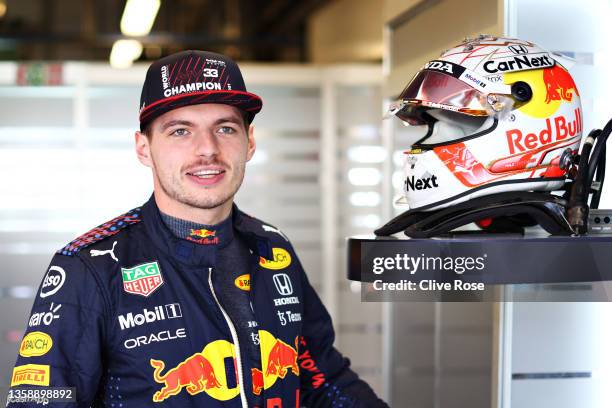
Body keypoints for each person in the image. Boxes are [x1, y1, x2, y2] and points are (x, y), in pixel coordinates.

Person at [8, 50, 388, 407]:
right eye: (180, 131)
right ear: (144, 148)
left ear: (249, 142)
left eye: (225, 128)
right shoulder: (89, 268)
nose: (207, 149)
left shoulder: (273, 248)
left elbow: (322, 377)